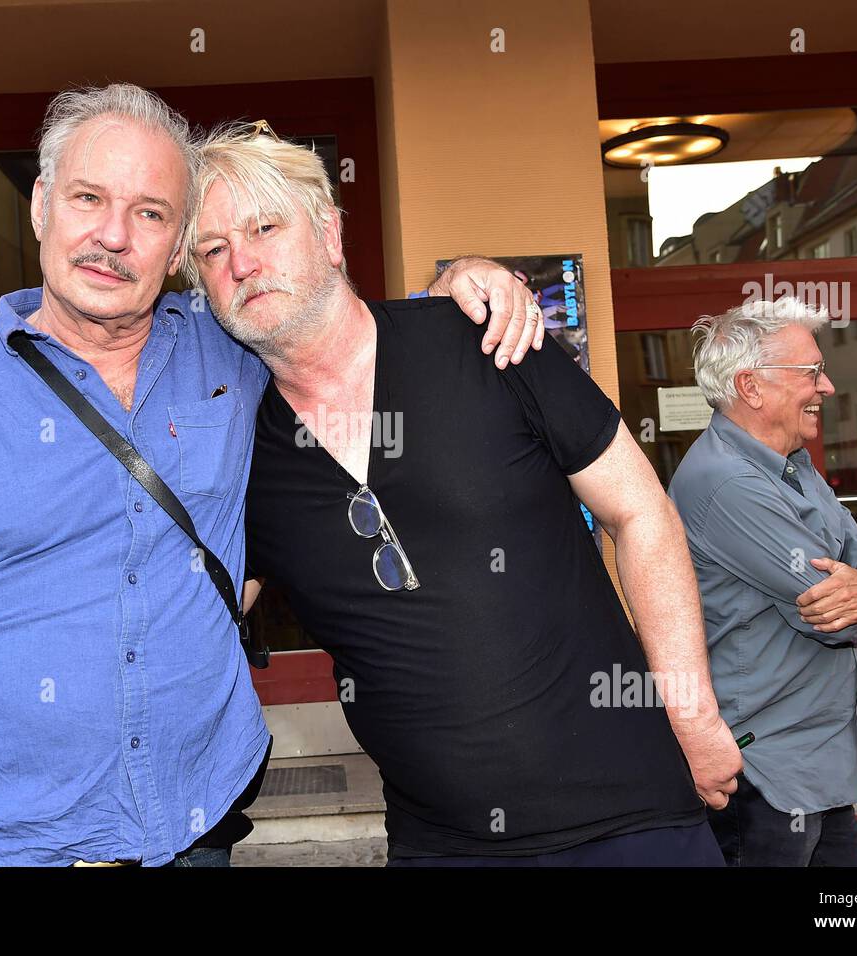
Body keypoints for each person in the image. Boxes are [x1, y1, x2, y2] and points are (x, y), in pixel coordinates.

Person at [0, 84, 540, 868]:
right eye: (89, 198)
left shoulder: (232, 351)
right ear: (40, 208)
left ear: (179, 247)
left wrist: (462, 284)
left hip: (190, 832)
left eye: (152, 213)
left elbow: (339, 330)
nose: (113, 237)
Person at [186, 124, 741, 866]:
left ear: (329, 234)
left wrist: (692, 710)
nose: (243, 263)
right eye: (213, 251)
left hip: (631, 819)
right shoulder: (239, 447)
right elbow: (196, 610)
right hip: (439, 846)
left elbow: (639, 511)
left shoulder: (483, 340)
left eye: (263, 227)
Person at [667, 297, 857, 867]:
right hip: (763, 772)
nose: (827, 387)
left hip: (810, 760)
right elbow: (831, 616)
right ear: (751, 387)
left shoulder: (792, 466)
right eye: (811, 372)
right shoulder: (728, 483)